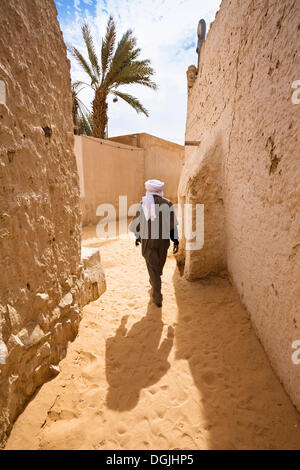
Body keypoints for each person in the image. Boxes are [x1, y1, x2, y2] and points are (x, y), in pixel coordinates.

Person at [129, 179, 179, 307]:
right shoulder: (167, 204)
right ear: (160, 190)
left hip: (148, 242)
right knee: (157, 267)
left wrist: (138, 237)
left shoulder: (144, 204)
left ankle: (157, 297)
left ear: (149, 190)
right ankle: (155, 286)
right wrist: (176, 241)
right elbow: (173, 226)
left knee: (153, 269)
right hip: (163, 242)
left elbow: (136, 225)